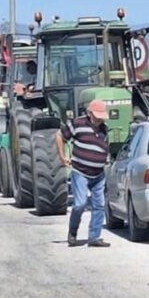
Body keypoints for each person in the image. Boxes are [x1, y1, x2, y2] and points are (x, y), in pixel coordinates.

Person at [56, 99, 111, 247]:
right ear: (90, 114)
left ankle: (94, 237)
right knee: (79, 204)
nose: (100, 119)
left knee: (99, 206)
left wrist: (106, 160)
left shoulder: (104, 129)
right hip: (80, 171)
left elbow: (105, 147)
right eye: (98, 115)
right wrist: (62, 157)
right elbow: (59, 136)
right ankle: (73, 232)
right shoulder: (77, 124)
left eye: (102, 116)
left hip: (98, 174)